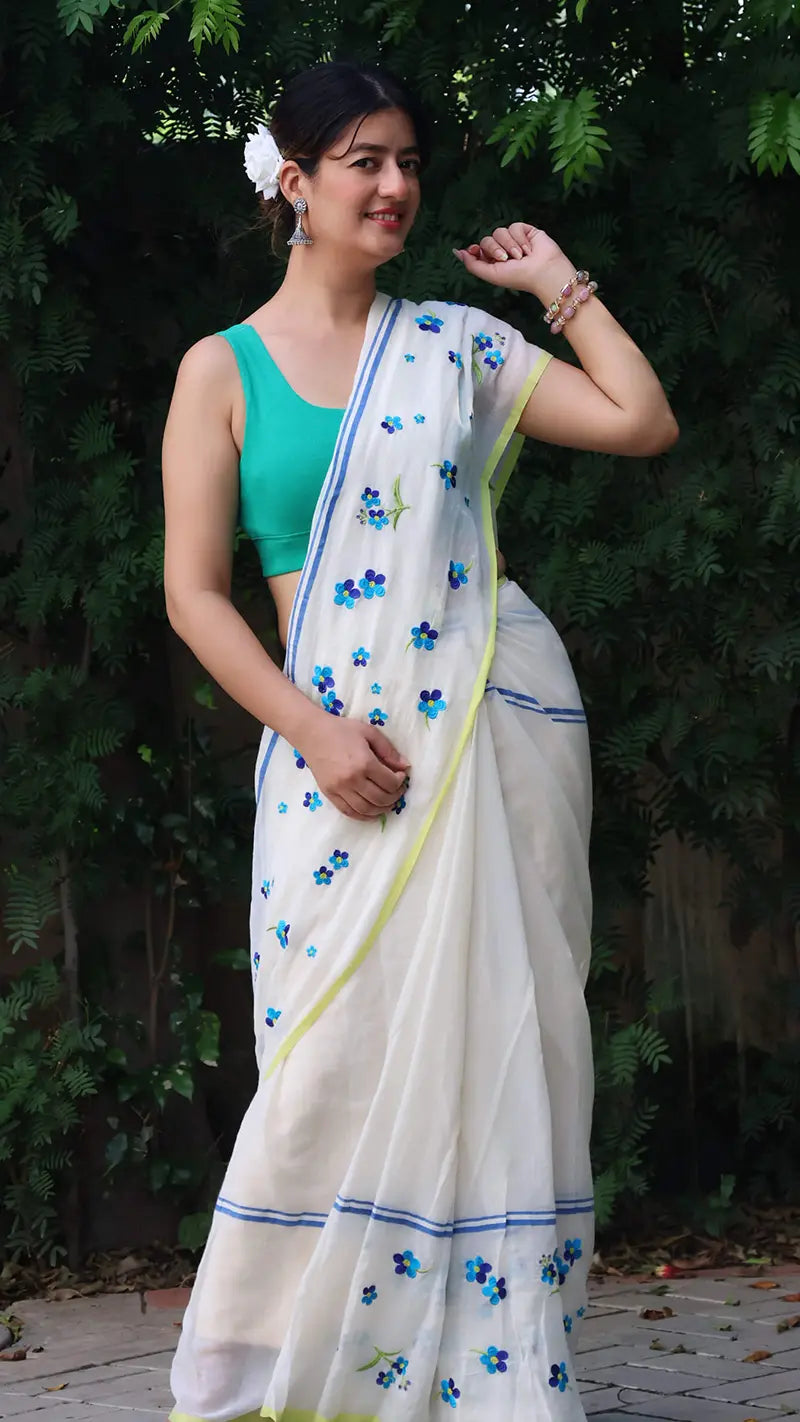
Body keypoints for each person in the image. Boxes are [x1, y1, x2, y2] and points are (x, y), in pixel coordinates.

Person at [162, 59, 678, 1422]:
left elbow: (640, 419)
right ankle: (299, 1371)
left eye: (405, 160)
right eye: (361, 162)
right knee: (331, 1065)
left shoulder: (455, 347)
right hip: (330, 772)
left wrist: (558, 283)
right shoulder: (220, 369)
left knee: (485, 1048)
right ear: (294, 183)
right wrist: (315, 729)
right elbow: (193, 593)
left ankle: (483, 1378)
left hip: (474, 755)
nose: (393, 185)